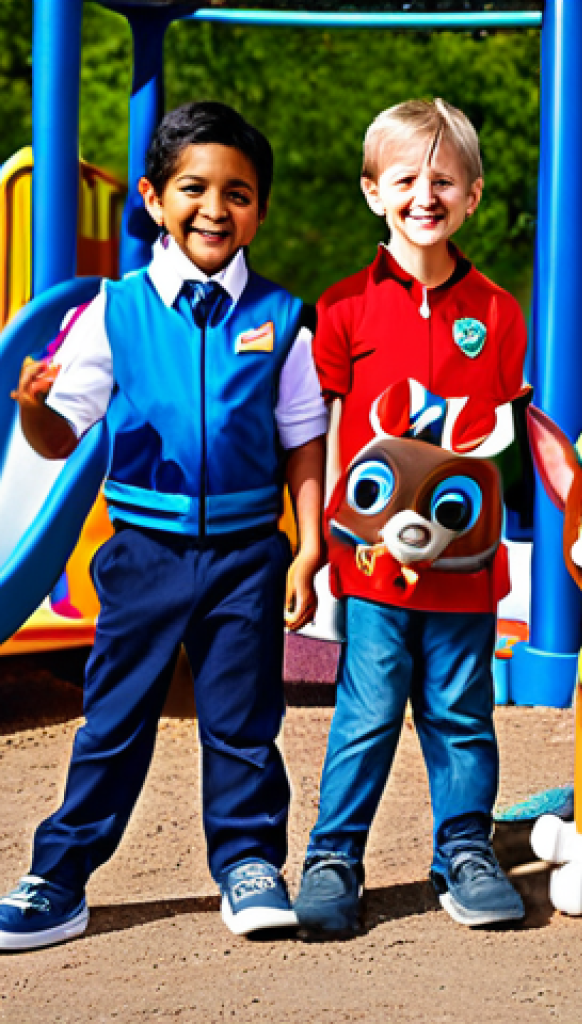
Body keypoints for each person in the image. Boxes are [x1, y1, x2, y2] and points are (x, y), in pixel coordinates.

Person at [0, 101, 327, 951]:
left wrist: (310, 547)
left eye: (239, 192)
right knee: (115, 719)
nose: (215, 208)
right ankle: (59, 878)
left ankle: (251, 863)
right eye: (193, 188)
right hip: (144, 553)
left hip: (249, 554)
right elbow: (60, 433)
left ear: (261, 207)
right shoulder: (115, 312)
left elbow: (302, 441)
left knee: (244, 721)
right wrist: (35, 411)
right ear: (152, 196)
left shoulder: (283, 318)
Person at [296, 98, 528, 937]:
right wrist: (314, 541)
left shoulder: (499, 311)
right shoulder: (341, 309)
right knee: (365, 712)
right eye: (405, 179)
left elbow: (494, 435)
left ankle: (465, 848)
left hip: (465, 566)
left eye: (443, 180)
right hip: (371, 567)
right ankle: (332, 855)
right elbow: (320, 433)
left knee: (463, 710)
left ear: (471, 194)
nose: (423, 195)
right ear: (372, 192)